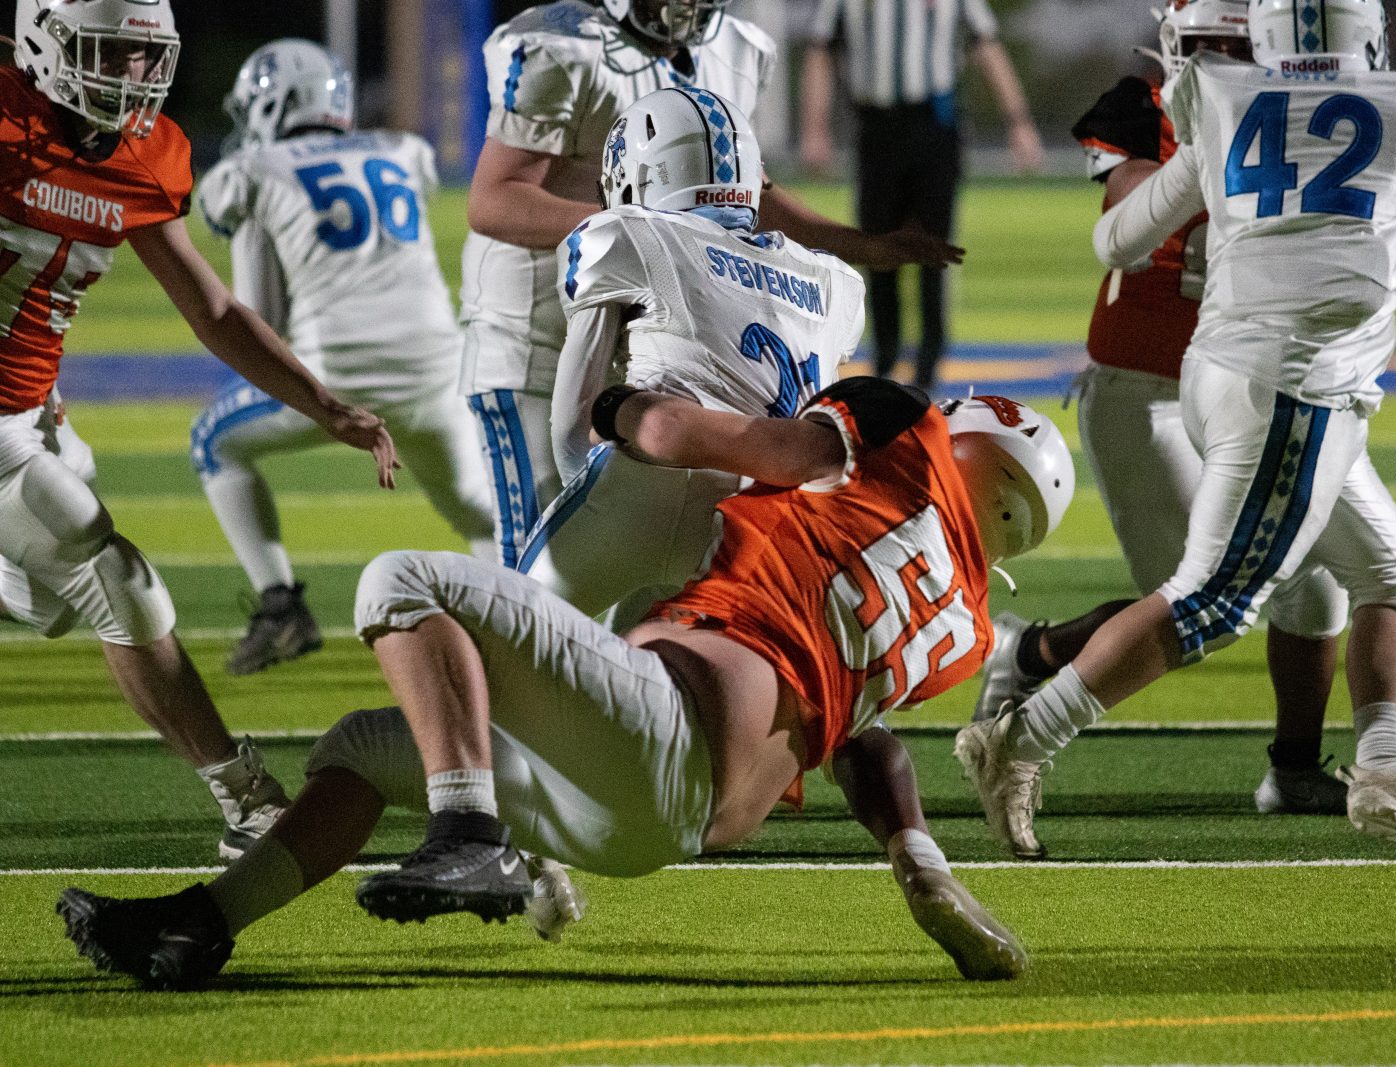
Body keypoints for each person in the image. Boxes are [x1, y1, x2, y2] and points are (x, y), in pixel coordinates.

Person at [59, 378, 1075, 990]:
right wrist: (923, 866)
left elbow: (709, 439)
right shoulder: (961, 628)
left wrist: (616, 403)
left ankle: (471, 837)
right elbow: (868, 744)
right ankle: (205, 921)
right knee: (362, 746)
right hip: (660, 826)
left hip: (663, 716)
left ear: (974, 429)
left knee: (400, 579)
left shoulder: (907, 432)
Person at [955, 0, 1396, 861]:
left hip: (1221, 367)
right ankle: (1021, 740)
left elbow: (1121, 235)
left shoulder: (1220, 103)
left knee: (1391, 575)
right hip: (1295, 381)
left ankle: (1384, 772)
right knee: (1208, 602)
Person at [1, 0, 395, 860]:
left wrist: (323, 403)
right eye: (109, 52)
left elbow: (213, 309)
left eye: (145, 58)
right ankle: (244, 795)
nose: (129, 76)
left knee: (49, 598)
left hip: (32, 409)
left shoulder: (145, 153)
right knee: (116, 575)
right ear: (43, 41)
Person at [982, 0, 1347, 825]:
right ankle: (1033, 653)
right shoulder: (1139, 105)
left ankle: (1293, 768)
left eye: (1241, 37)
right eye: (1217, 40)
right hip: (1145, 386)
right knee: (1192, 605)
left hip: (1257, 380)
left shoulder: (1305, 109)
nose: (1231, 53)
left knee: (1318, 587)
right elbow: (1132, 218)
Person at [460, 0, 962, 566]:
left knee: (669, 575)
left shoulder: (738, 51)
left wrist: (857, 244)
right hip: (540, 342)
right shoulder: (561, 49)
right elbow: (494, 199)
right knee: (537, 573)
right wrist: (648, 239)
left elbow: (745, 196)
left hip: (660, 354)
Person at [188, 40, 497, 677]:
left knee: (213, 441)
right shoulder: (400, 150)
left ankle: (280, 605)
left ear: (275, 103)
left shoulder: (254, 171)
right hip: (438, 372)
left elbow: (260, 326)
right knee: (478, 511)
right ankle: (527, 633)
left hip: (338, 382)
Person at [525, 87, 865, 627]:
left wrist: (594, 494)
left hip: (646, 487)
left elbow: (572, 424)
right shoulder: (832, 280)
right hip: (766, 521)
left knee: (502, 648)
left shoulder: (630, 234)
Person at [800, 0, 1043, 390]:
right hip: (876, 127)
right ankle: (884, 361)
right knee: (875, 247)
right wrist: (815, 127)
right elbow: (820, 47)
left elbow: (986, 43)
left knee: (935, 249)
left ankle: (930, 365)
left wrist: (1018, 121)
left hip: (934, 124)